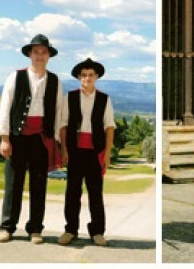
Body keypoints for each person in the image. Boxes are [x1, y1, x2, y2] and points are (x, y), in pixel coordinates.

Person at [0, 34, 63, 244]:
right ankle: (7, 227)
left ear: (49, 55)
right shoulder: (15, 76)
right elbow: (5, 108)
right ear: (30, 54)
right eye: (36, 52)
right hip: (17, 138)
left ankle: (35, 229)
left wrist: (58, 142)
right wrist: (4, 138)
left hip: (42, 140)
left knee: (39, 186)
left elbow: (59, 113)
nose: (40, 56)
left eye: (44, 52)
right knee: (13, 185)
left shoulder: (55, 80)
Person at [58, 58, 115, 247]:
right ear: (78, 77)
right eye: (84, 75)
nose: (87, 78)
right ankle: (70, 230)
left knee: (95, 194)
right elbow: (64, 126)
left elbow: (109, 128)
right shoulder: (70, 97)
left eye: (91, 75)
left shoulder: (104, 99)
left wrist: (106, 154)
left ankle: (97, 231)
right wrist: (64, 150)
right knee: (72, 193)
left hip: (95, 152)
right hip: (75, 151)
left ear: (96, 76)